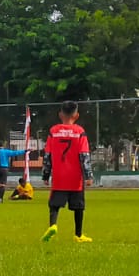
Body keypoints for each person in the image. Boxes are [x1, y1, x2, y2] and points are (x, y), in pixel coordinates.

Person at [41, 100, 92, 243]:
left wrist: (46, 174)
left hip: (59, 177)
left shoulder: (53, 131)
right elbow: (84, 155)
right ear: (76, 115)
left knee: (54, 205)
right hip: (76, 178)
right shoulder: (80, 132)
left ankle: (53, 225)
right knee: (78, 207)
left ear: (60, 114)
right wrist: (88, 176)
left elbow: (48, 155)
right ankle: (79, 235)